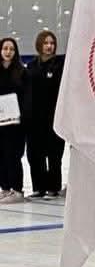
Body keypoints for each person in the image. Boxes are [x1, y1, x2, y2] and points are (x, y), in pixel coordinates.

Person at [26, 30, 65, 198]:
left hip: (54, 117)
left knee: (54, 154)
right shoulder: (32, 66)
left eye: (52, 43)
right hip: (35, 118)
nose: (49, 46)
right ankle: (38, 187)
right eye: (46, 43)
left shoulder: (60, 65)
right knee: (35, 154)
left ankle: (53, 187)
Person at [0, 38, 28, 203]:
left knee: (13, 156)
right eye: (5, 48)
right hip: (0, 122)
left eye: (11, 49)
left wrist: (22, 115)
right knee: (1, 156)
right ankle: (5, 188)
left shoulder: (22, 72)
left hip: (15, 123)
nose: (8, 52)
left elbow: (27, 96)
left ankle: (17, 190)